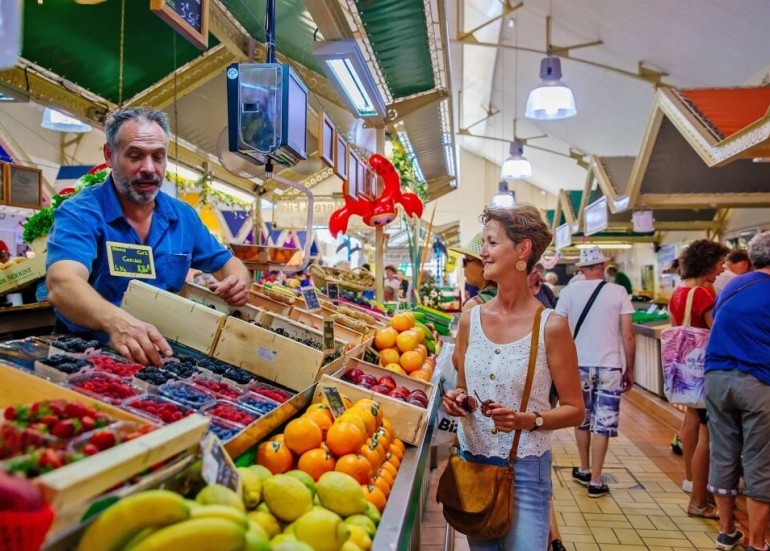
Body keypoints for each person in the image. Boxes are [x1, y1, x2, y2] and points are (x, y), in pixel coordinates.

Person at [46, 107, 251, 366]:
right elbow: (62, 284)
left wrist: (238, 282)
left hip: (159, 354)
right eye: (135, 156)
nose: (149, 168)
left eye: (158, 157)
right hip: (86, 354)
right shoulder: (81, 213)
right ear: (110, 155)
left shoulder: (183, 217)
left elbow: (230, 265)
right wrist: (115, 321)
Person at [441, 205, 584, 551]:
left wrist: (527, 420)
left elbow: (576, 409)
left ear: (522, 251)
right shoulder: (469, 319)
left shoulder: (551, 326)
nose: (483, 252)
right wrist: (457, 400)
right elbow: (462, 385)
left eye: (491, 242)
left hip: (526, 474)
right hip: (473, 466)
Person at [705, 232, 770, 551]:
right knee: (760, 459)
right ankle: (757, 542)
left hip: (716, 378)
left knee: (724, 452)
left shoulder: (733, 285)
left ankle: (727, 531)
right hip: (757, 380)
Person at [555, 245, 635, 498]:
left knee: (581, 417)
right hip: (610, 366)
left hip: (578, 364)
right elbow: (628, 335)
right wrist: (629, 368)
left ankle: (584, 467)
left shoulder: (569, 292)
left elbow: (557, 329)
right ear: (601, 267)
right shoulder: (618, 291)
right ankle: (597, 480)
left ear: (580, 269)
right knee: (604, 422)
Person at [667, 239, 727, 519]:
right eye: (719, 262)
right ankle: (700, 494)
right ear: (707, 263)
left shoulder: (678, 292)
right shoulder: (703, 294)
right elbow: (717, 331)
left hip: (685, 368)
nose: (722, 267)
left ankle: (690, 477)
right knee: (706, 432)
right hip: (703, 367)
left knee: (690, 418)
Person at [449, 233, 497, 311]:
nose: (463, 266)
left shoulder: (474, 306)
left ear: (484, 264)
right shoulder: (504, 296)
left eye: (466, 261)